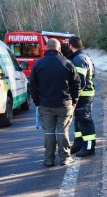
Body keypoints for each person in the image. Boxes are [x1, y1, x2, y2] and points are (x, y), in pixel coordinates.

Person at [29, 38, 80, 166]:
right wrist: (74, 101)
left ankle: (49, 159)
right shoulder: (67, 63)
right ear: (59, 48)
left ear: (46, 48)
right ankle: (65, 158)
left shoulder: (38, 64)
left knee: (49, 132)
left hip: (45, 105)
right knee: (63, 131)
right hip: (64, 104)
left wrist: (37, 102)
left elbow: (32, 86)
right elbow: (76, 84)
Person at [67, 36, 97, 157]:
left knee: (84, 119)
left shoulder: (79, 59)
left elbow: (80, 82)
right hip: (85, 94)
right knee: (79, 119)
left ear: (70, 46)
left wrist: (74, 96)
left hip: (83, 95)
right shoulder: (83, 56)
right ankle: (78, 143)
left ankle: (89, 147)